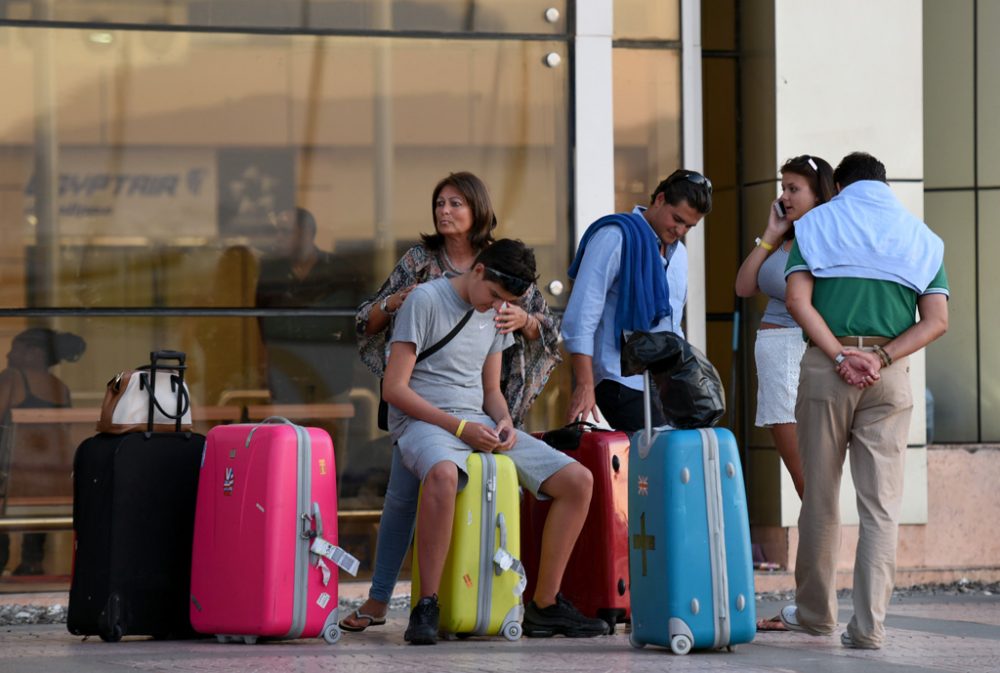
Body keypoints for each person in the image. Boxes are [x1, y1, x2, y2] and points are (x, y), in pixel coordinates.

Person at [341, 172, 561, 632]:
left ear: (477, 209)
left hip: (480, 402)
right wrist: (400, 301)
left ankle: (468, 599)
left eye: (456, 203)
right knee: (403, 498)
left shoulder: (502, 264)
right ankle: (401, 602)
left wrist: (523, 319)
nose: (445, 211)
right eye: (439, 202)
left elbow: (544, 328)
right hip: (418, 398)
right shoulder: (421, 262)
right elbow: (367, 319)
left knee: (414, 494)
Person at [381, 238, 607, 644]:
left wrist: (503, 421)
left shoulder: (497, 311)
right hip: (422, 421)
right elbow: (394, 389)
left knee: (578, 481)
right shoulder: (425, 301)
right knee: (444, 475)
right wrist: (459, 429)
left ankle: (544, 603)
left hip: (478, 421)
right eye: (495, 296)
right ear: (479, 270)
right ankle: (427, 604)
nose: (495, 306)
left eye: (506, 301)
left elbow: (491, 391)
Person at [778, 152, 949, 649]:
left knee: (821, 496)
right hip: (889, 375)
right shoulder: (923, 237)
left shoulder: (816, 225)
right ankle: (869, 627)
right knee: (880, 506)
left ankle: (814, 615)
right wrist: (880, 356)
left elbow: (796, 301)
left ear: (841, 184)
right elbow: (936, 320)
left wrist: (840, 356)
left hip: (828, 370)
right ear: (883, 184)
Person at [561, 170, 713, 431]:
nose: (680, 230)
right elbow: (581, 315)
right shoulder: (615, 236)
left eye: (689, 226)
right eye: (677, 219)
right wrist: (585, 385)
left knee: (685, 455)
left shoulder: (680, 254)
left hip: (664, 384)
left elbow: (672, 324)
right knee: (660, 456)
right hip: (618, 378)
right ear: (660, 199)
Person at [735, 155, 834, 502]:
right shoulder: (784, 240)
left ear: (819, 195)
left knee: (805, 470)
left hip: (797, 351)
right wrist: (770, 234)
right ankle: (819, 550)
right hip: (777, 356)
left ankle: (821, 551)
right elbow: (744, 287)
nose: (784, 197)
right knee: (800, 473)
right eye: (783, 188)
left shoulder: (825, 239)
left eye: (794, 189)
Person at [0, 328, 86, 576]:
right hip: (54, 474)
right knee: (35, 539)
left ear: (35, 353)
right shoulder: (61, 387)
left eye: (16, 348)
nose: (8, 354)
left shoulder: (13, 378)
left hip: (16, 472)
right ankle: (32, 566)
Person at [255, 207, 355, 405]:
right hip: (285, 380)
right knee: (286, 435)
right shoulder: (270, 272)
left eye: (284, 231)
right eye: (276, 231)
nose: (278, 237)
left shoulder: (336, 269)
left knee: (328, 435)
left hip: (331, 381)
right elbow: (262, 323)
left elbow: (349, 325)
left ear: (306, 234)